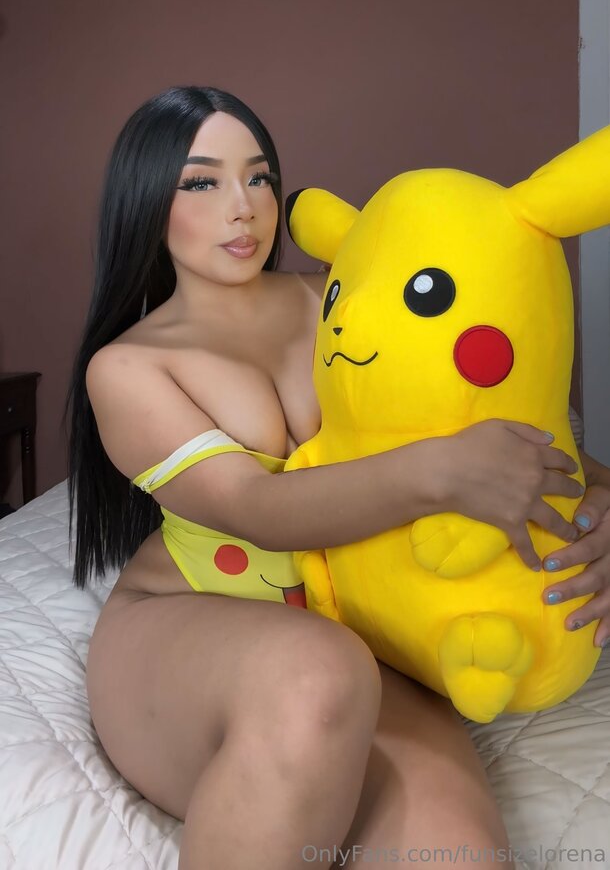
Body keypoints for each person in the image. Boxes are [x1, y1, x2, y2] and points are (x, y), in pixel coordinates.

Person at [66, 86, 610, 870]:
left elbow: (510, 426)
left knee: (459, 857)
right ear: (148, 200)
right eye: (202, 181)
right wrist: (439, 472)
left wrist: (597, 506)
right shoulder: (127, 368)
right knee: (317, 671)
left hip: (357, 628)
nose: (243, 206)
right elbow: (253, 506)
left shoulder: (342, 295)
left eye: (259, 177)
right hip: (188, 624)